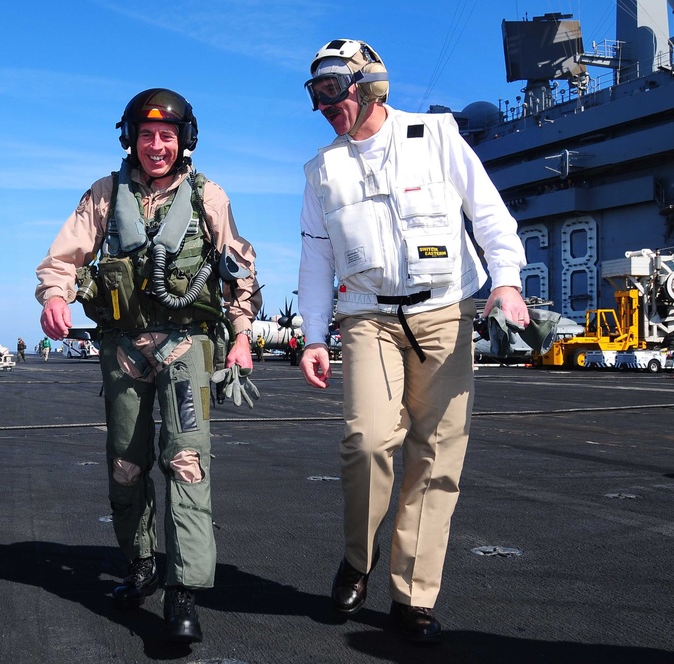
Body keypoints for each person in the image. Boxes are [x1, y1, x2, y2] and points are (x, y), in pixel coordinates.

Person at [296, 39, 529, 642]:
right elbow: (316, 259)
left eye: (332, 89)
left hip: (445, 312)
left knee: (436, 453)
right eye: (315, 93)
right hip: (367, 316)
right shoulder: (323, 170)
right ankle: (358, 558)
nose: (325, 105)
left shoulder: (437, 136)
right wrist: (312, 335)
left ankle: (413, 595)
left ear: (369, 85)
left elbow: (490, 214)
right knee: (368, 440)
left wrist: (506, 282)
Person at [36, 88, 261, 644]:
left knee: (186, 460)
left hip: (188, 348)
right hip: (123, 351)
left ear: (183, 141)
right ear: (130, 139)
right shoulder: (105, 195)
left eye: (166, 136)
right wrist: (55, 297)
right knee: (125, 463)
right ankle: (140, 566)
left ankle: (183, 591)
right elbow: (62, 257)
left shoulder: (209, 197)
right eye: (145, 135)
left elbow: (239, 270)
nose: (156, 145)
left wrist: (241, 336)